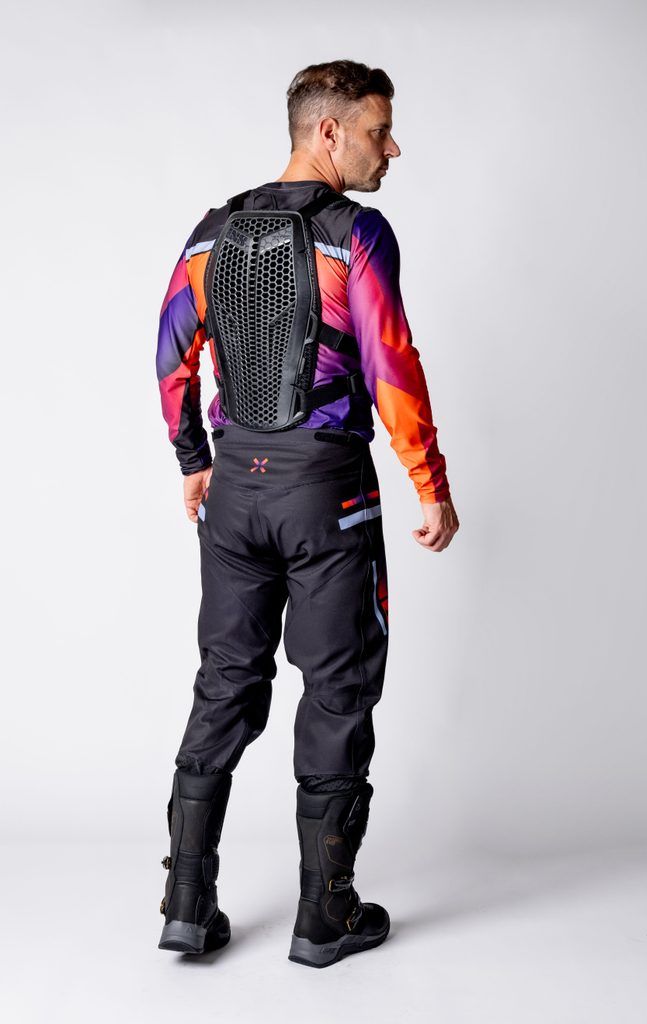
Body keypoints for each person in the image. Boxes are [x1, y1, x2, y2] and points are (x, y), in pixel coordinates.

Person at [154, 59, 459, 968]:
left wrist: (195, 460)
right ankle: (325, 917)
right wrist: (429, 480)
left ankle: (184, 905)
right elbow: (391, 361)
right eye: (378, 130)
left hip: (235, 496)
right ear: (328, 132)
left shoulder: (212, 232)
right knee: (337, 689)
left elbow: (170, 349)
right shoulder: (355, 235)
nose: (391, 149)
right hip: (328, 493)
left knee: (225, 681)